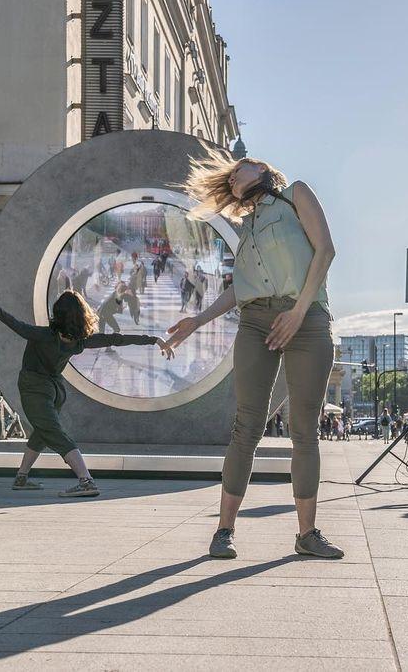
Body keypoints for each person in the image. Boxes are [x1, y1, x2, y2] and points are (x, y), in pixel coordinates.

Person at [166, 151, 342, 560]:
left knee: (303, 430)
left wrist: (297, 312)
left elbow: (326, 251)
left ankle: (307, 534)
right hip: (257, 322)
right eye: (227, 181)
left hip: (308, 317)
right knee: (247, 425)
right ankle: (224, 530)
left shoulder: (296, 194)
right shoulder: (246, 228)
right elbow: (240, 288)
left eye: (238, 169)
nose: (232, 179)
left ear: (261, 168)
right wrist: (198, 320)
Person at [0, 291, 174, 497]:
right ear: (81, 315)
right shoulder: (80, 341)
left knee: (52, 432)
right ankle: (21, 478)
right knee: (43, 432)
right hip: (56, 390)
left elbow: (18, 326)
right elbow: (116, 339)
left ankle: (86, 481)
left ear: (56, 314)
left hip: (34, 387)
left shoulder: (44, 335)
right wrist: (153, 340)